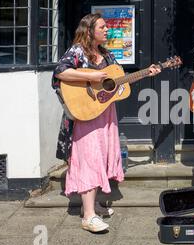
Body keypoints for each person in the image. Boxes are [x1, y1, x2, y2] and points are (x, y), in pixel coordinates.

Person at [52, 13, 160, 233]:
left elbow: (117, 81)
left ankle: (91, 206)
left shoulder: (107, 55)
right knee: (89, 158)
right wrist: (92, 78)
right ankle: (89, 217)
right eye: (102, 27)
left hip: (103, 113)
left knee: (99, 156)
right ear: (89, 30)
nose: (107, 30)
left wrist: (145, 73)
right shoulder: (77, 51)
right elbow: (60, 72)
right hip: (85, 114)